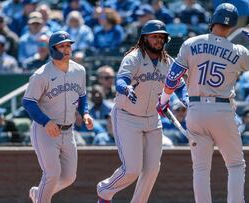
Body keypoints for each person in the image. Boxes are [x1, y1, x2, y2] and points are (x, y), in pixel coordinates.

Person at [156, 3, 249, 203]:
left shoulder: (191, 43)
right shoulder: (238, 50)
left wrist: (163, 101)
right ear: (232, 26)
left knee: (200, 168)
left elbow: (173, 78)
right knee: (235, 165)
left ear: (212, 20)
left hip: (196, 109)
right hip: (222, 108)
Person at [96, 19, 188, 203]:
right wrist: (125, 88)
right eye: (154, 36)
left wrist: (186, 99)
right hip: (127, 116)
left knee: (152, 169)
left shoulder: (167, 62)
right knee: (132, 169)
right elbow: (121, 80)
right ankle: (104, 190)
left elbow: (180, 86)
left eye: (161, 37)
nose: (158, 40)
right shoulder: (133, 57)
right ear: (144, 38)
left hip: (153, 119)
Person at [22, 31, 94, 203]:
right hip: (45, 131)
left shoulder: (79, 70)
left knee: (69, 177)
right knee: (52, 174)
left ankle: (38, 194)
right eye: (62, 46)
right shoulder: (41, 74)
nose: (66, 49)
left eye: (68, 45)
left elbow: (82, 96)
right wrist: (45, 122)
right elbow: (28, 102)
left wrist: (85, 113)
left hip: (68, 131)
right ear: (53, 49)